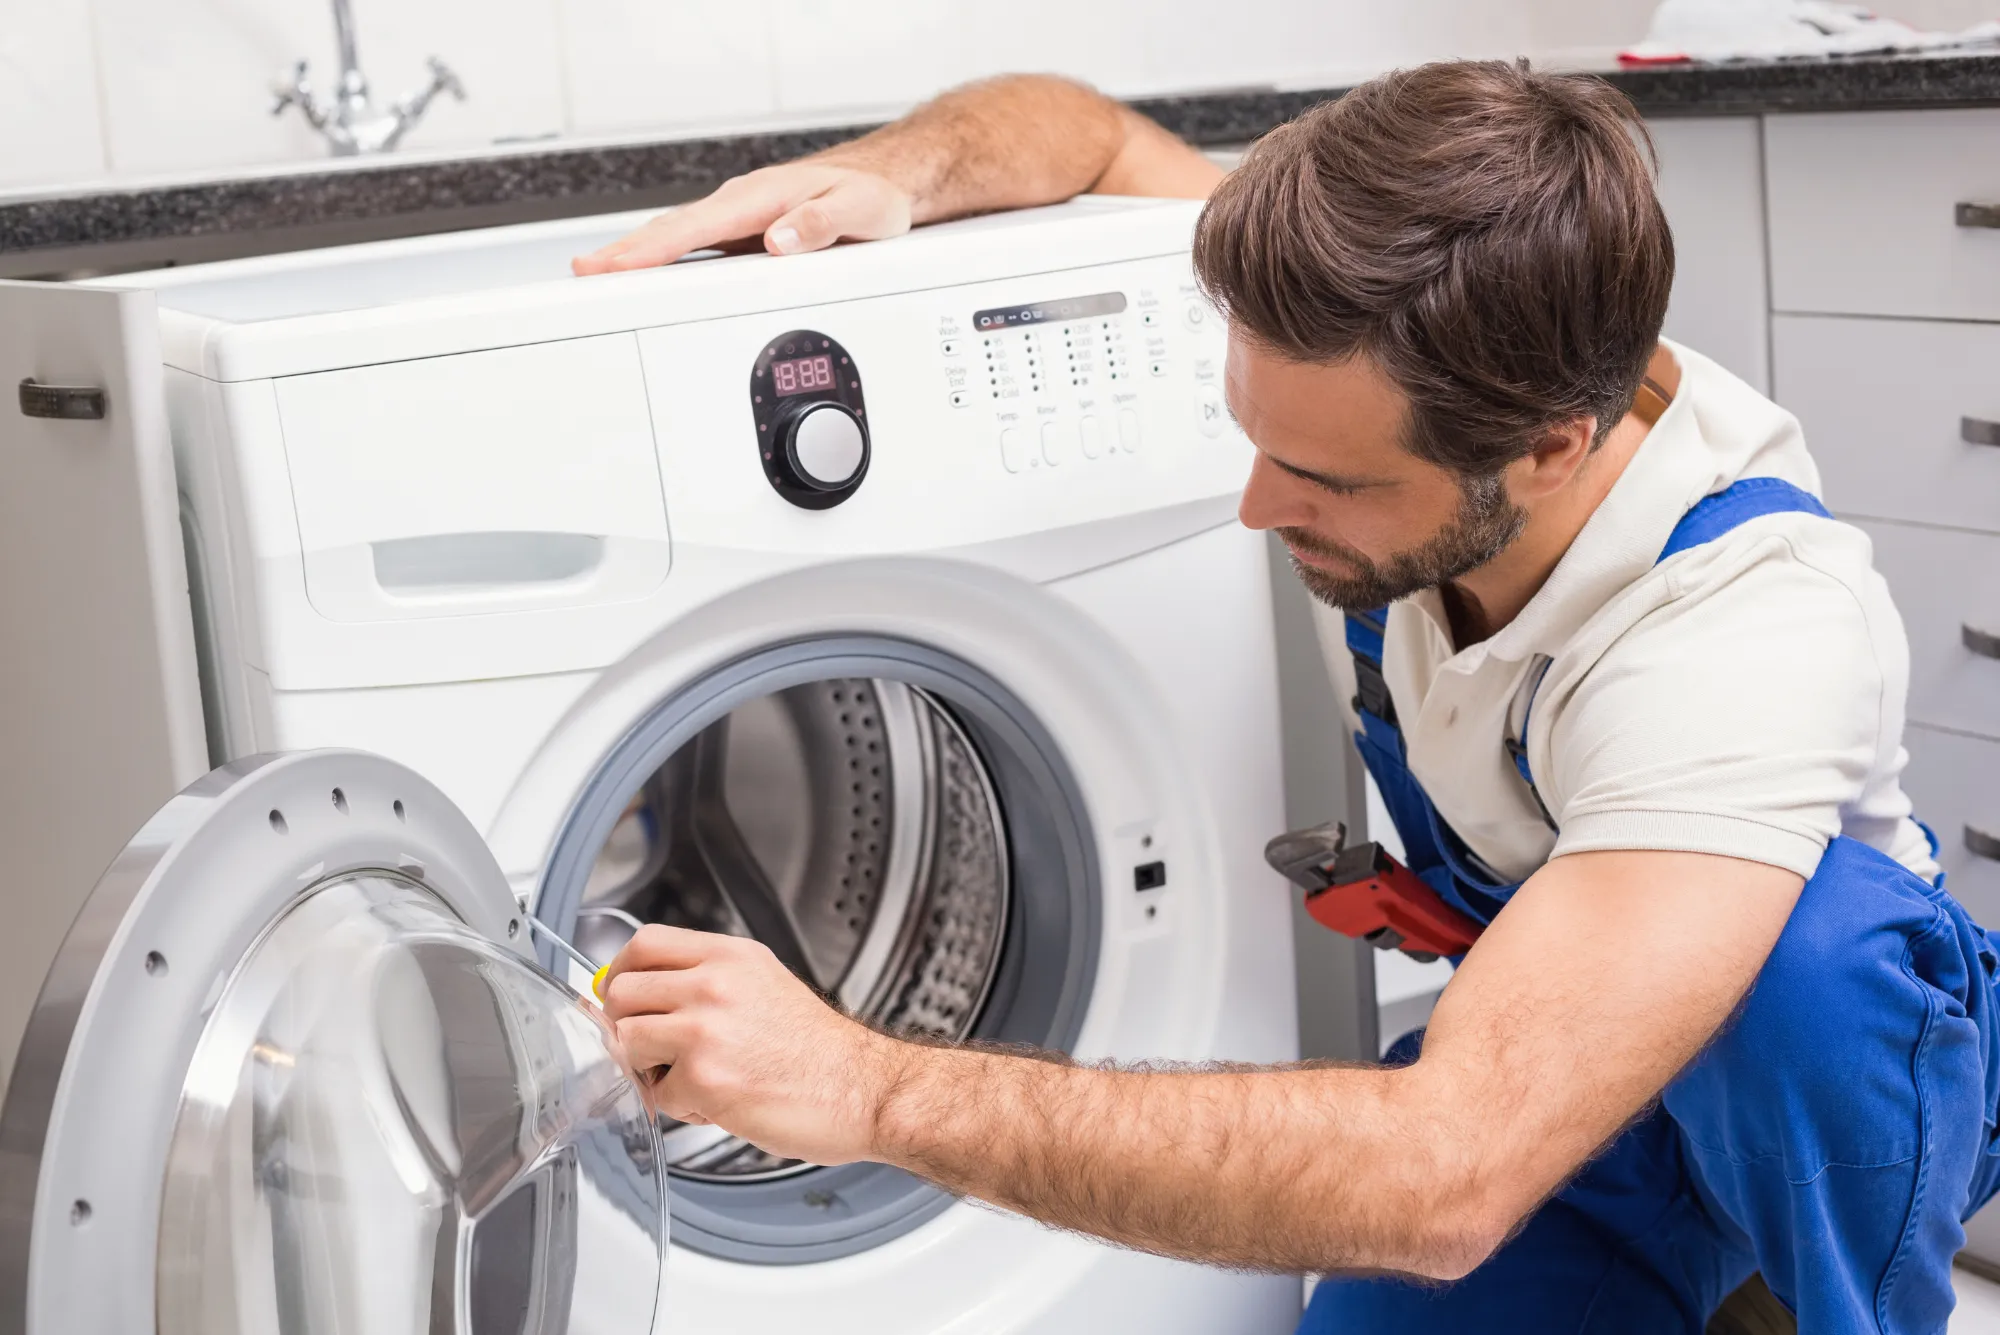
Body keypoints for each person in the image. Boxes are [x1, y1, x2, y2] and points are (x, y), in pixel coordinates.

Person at [574, 62, 2000, 1332]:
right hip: (1569, 1042)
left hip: (1827, 1092)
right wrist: (900, 174)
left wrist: (872, 1089)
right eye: (1258, 437)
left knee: (1803, 973)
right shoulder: (1403, 316)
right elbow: (1083, 129)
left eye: (1329, 479)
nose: (1260, 507)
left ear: (1553, 449)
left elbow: (1448, 1170)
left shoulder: (1745, 625)